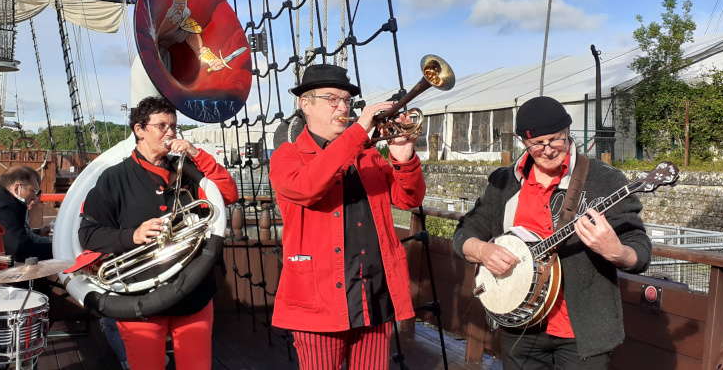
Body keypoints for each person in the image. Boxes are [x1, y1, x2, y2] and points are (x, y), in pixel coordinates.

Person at [452, 96, 652, 370]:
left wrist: (617, 252)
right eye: (537, 144)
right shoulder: (505, 182)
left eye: (555, 140)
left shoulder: (605, 180)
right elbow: (465, 233)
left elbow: (639, 251)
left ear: (568, 133)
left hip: (582, 330)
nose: (547, 150)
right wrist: (483, 251)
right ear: (524, 142)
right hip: (520, 325)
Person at [268, 64, 426, 370]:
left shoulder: (367, 155)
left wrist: (404, 158)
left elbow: (409, 199)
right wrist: (358, 131)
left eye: (347, 101)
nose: (343, 107)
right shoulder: (287, 156)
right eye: (332, 99)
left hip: (374, 294)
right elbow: (307, 188)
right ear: (305, 104)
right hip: (319, 301)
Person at [79, 96, 238, 370]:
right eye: (161, 126)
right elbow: (90, 235)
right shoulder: (113, 178)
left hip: (193, 290)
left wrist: (197, 155)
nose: (170, 133)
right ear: (139, 130)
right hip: (139, 295)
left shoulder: (189, 171)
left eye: (174, 126)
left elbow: (228, 194)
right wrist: (134, 235)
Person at [0, 165, 53, 263]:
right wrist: (57, 249)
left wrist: (38, 232)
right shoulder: (4, 208)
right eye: (34, 191)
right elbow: (19, 250)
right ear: (17, 188)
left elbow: (11, 233)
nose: (35, 198)